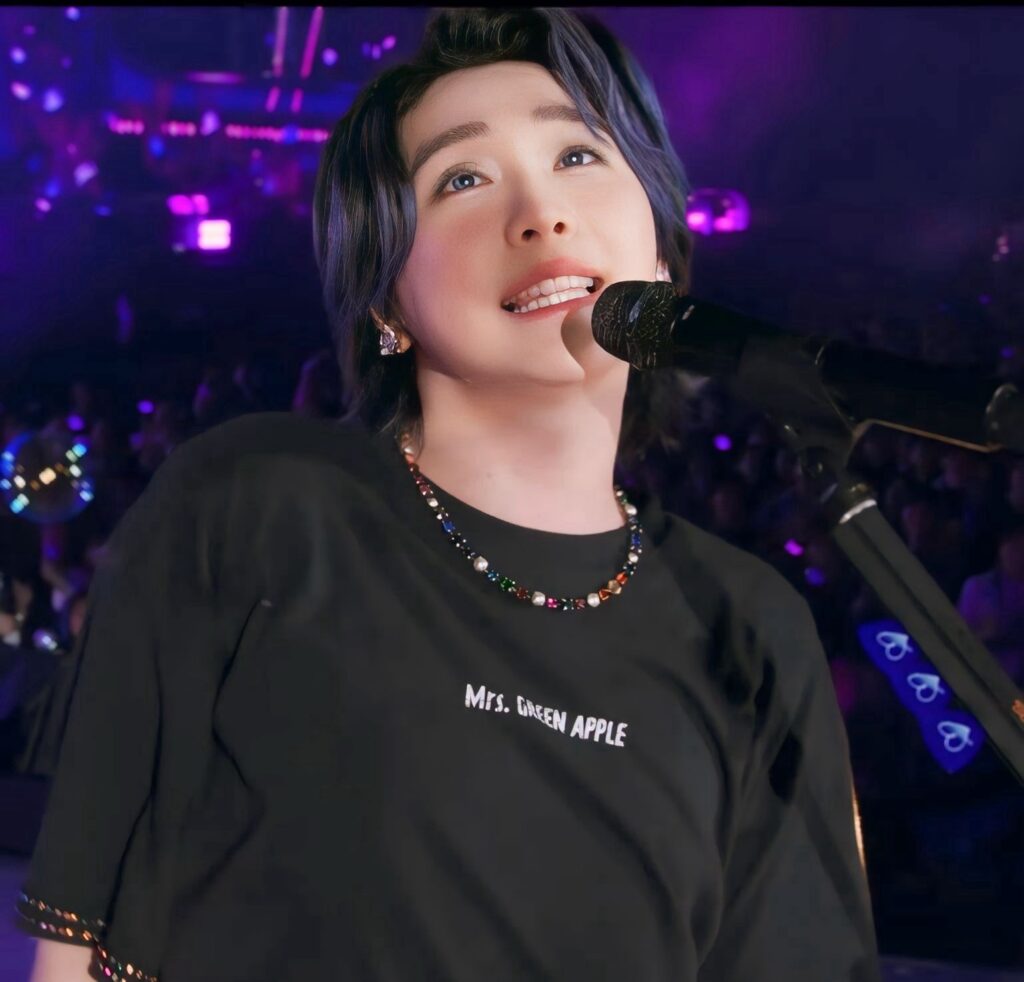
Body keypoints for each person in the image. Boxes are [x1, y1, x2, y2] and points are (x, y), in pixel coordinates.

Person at [18, 8, 879, 981]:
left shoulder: (748, 624)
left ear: (659, 250)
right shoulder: (254, 506)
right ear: (385, 300)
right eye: (463, 178)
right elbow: (78, 944)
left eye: (578, 156)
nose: (541, 213)